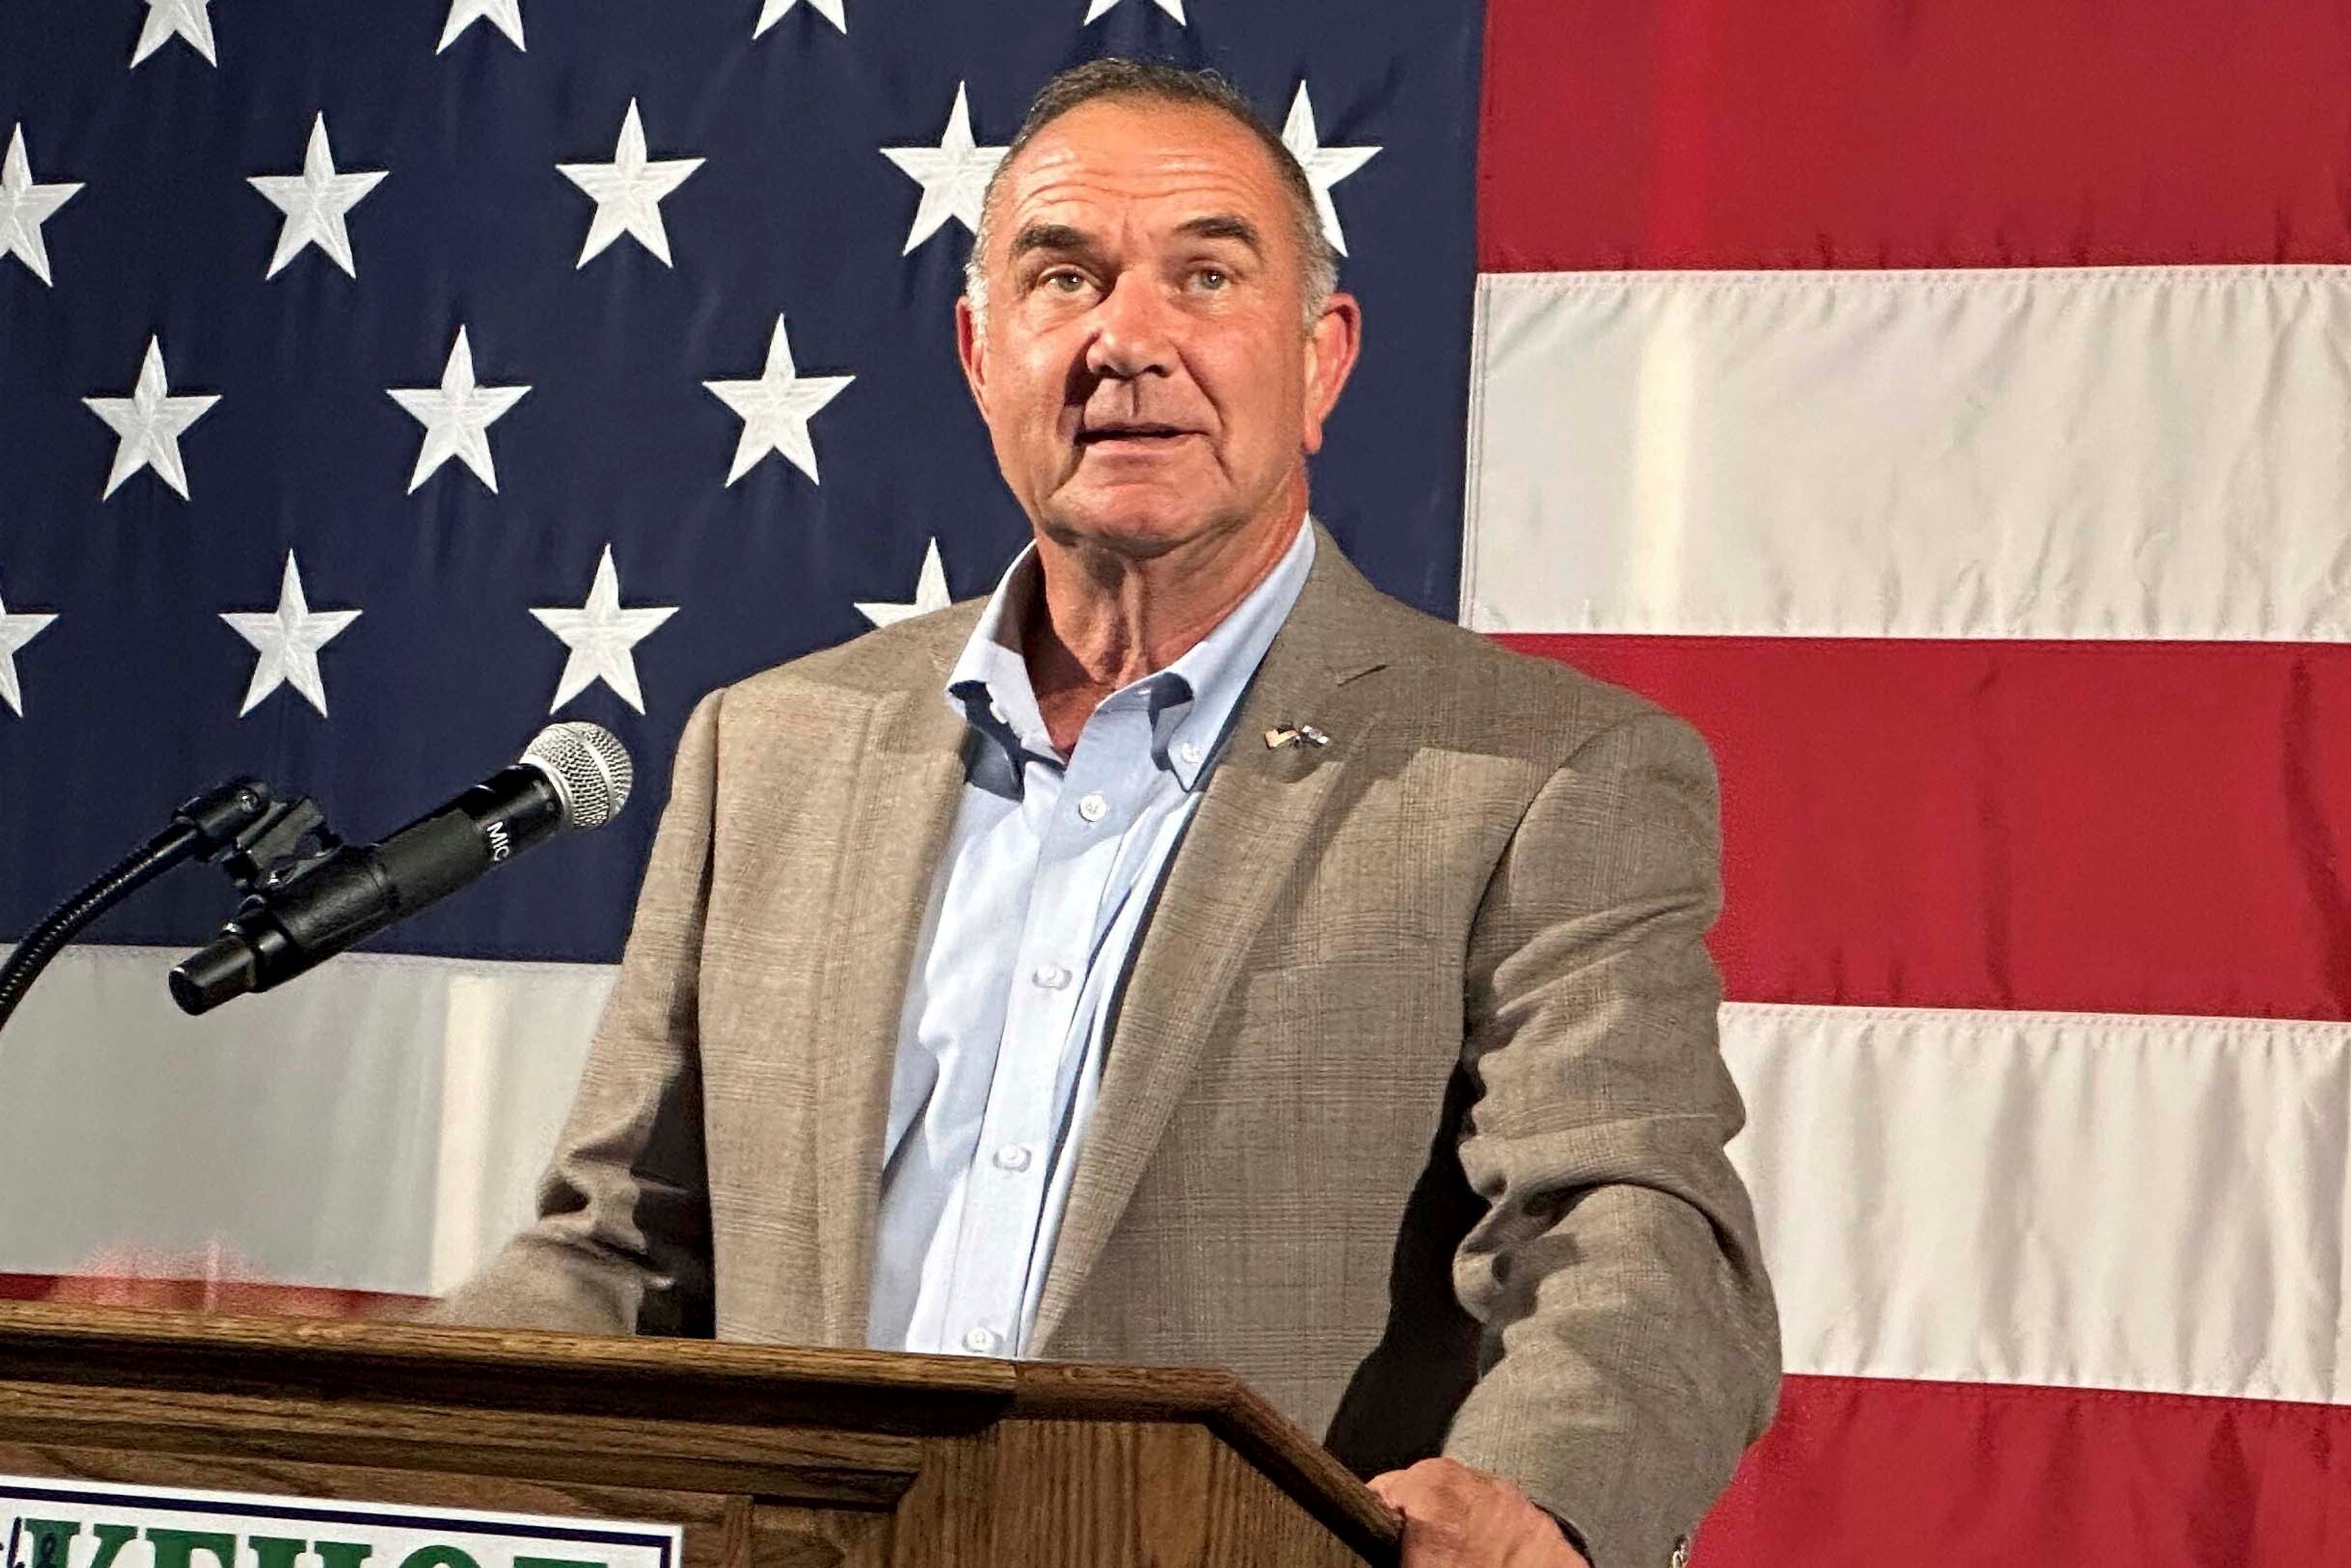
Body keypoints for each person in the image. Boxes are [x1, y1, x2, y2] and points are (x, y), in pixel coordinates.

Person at [434, 59, 1777, 1568]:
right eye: (1063, 278)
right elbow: (623, 1251)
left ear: (1322, 358)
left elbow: (1636, 1228)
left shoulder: (1541, 775)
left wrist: (1538, 1492)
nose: (1127, 342)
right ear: (979, 351)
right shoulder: (775, 746)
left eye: (1206, 275)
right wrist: (338, 1432)